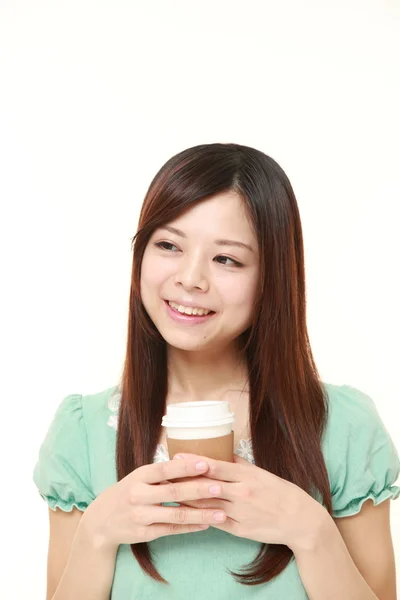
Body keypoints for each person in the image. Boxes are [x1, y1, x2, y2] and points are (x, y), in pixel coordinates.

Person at [33, 143, 400, 600]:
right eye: (168, 245)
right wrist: (96, 536)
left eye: (226, 258)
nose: (190, 278)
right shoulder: (82, 432)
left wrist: (313, 533)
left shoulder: (343, 426)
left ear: (272, 277)